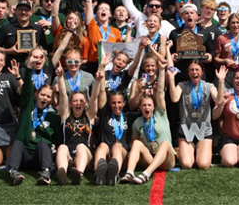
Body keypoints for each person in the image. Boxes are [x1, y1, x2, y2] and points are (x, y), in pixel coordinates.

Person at [121, 55, 176, 184]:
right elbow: (134, 144)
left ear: (154, 107)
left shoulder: (161, 114)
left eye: (149, 105)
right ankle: (129, 173)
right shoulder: (137, 122)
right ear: (140, 107)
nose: (147, 108)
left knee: (165, 144)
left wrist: (161, 70)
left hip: (166, 160)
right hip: (150, 158)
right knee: (136, 143)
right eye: (144, 105)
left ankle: (146, 174)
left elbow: (161, 92)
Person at [167, 59, 226, 170]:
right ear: (188, 72)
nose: (194, 72)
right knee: (186, 164)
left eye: (197, 70)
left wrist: (221, 81)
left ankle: (198, 149)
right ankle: (189, 150)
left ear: (202, 71)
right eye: (192, 70)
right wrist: (171, 78)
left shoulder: (209, 86)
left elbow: (219, 99)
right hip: (186, 130)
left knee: (203, 165)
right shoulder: (182, 85)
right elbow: (174, 98)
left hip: (204, 131)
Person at [6, 70, 61, 186]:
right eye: (42, 95)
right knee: (17, 143)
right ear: (36, 95)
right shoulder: (28, 107)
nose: (44, 98)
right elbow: (26, 90)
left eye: (48, 96)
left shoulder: (53, 115)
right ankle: (13, 172)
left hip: (40, 157)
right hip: (24, 155)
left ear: (51, 99)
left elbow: (57, 139)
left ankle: (46, 173)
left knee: (42, 142)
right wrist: (28, 69)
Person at [55, 63, 103, 185]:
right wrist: (60, 77)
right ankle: (62, 173)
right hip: (69, 158)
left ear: (85, 103)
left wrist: (97, 81)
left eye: (81, 101)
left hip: (85, 157)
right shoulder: (65, 115)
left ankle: (79, 174)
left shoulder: (89, 115)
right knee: (61, 147)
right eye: (75, 100)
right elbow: (63, 95)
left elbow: (94, 98)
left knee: (81, 146)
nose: (78, 103)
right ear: (71, 103)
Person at [94, 53, 130, 185]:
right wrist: (102, 67)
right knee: (103, 145)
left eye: (119, 103)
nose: (116, 106)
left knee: (117, 146)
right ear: (109, 104)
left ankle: (114, 174)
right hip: (106, 153)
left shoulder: (128, 117)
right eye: (114, 103)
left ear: (124, 103)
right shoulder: (105, 114)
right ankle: (99, 174)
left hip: (122, 154)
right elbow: (102, 91)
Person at [85, 0, 122, 72]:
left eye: (106, 9)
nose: (103, 11)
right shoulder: (92, 25)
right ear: (96, 13)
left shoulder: (116, 31)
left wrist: (108, 46)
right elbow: (88, 2)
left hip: (110, 63)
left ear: (110, 14)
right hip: (94, 63)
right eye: (100, 9)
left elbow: (119, 52)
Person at [0, 0, 44, 70]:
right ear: (15, 11)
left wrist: (36, 51)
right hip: (11, 69)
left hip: (33, 69)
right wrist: (9, 51)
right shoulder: (6, 27)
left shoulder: (38, 28)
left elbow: (46, 50)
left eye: (26, 10)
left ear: (31, 12)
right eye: (20, 9)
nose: (23, 12)